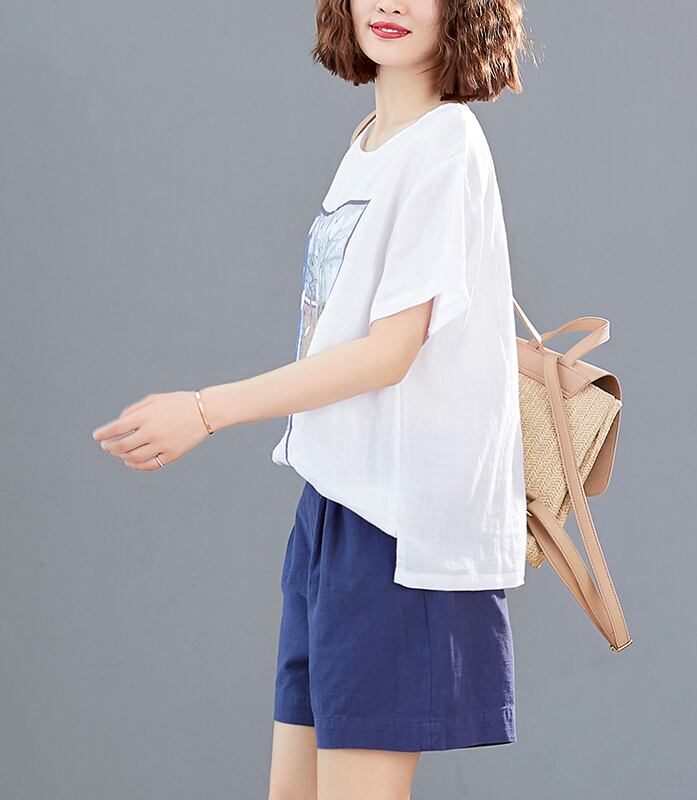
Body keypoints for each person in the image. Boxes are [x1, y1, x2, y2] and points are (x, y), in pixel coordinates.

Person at [91, 1, 536, 796]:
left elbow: (389, 353)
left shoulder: (447, 144)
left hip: (399, 534)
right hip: (333, 509)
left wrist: (205, 409)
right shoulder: (369, 144)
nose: (390, 4)